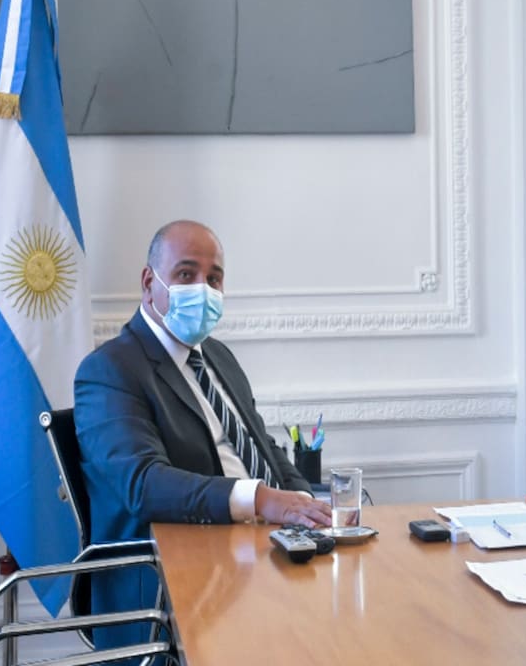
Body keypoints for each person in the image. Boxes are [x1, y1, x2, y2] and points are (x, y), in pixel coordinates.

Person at [74, 219, 332, 648]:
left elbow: (262, 447)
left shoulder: (217, 356)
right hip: (167, 586)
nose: (204, 290)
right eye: (186, 274)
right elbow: (143, 483)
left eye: (214, 279)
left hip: (253, 555)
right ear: (149, 282)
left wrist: (304, 505)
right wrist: (262, 499)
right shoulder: (110, 370)